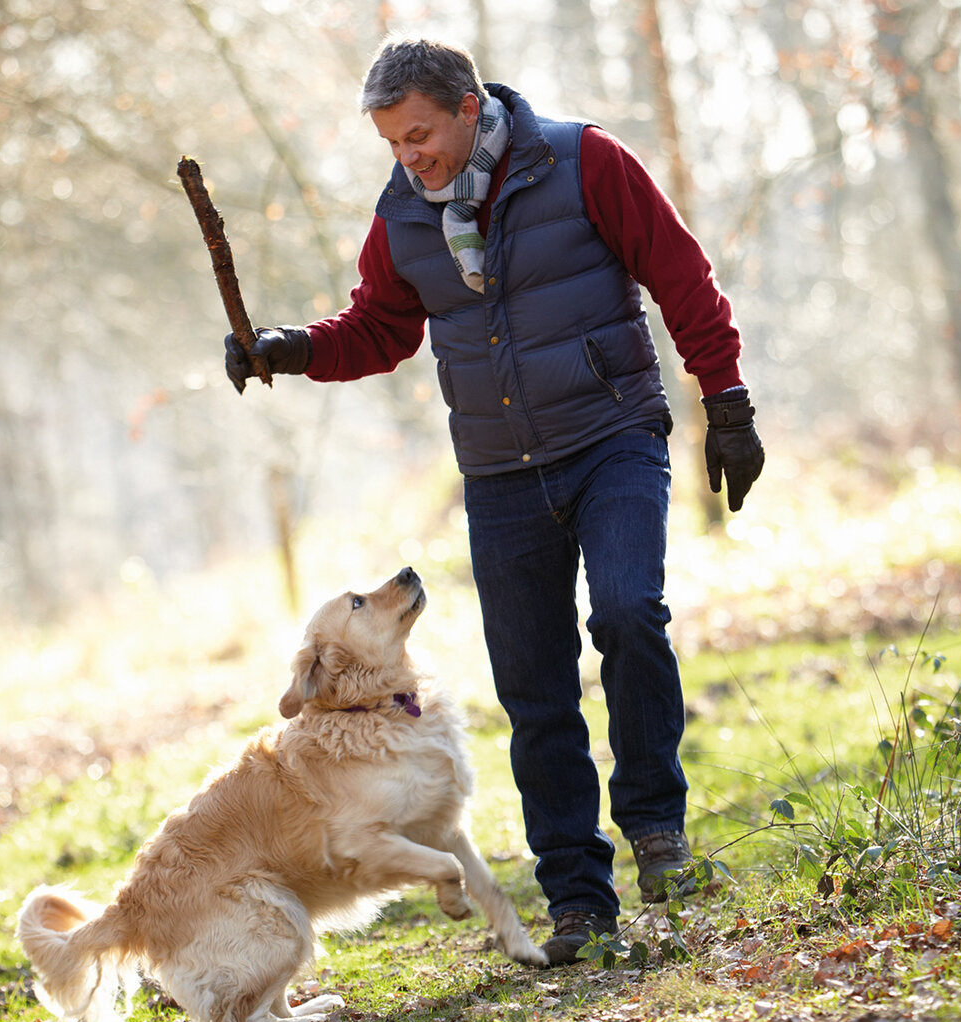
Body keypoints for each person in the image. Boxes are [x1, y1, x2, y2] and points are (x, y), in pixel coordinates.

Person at [224, 38, 764, 965]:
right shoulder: (403, 218)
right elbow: (379, 329)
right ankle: (579, 899)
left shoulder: (585, 160)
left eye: (420, 135)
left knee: (630, 613)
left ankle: (657, 825)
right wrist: (289, 347)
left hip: (613, 440)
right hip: (503, 472)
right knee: (535, 687)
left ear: (470, 108)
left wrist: (727, 403)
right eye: (393, 144)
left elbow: (681, 275)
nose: (410, 157)